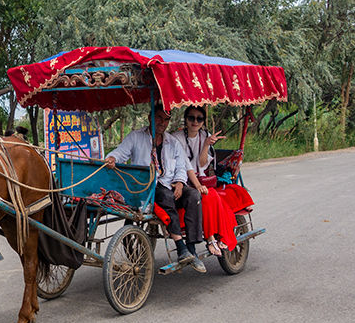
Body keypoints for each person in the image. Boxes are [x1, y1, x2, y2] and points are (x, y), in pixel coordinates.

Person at [105, 106, 206, 272]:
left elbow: (181, 167)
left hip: (169, 182)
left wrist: (180, 183)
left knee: (194, 195)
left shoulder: (172, 142)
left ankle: (192, 249)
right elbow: (120, 153)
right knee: (165, 196)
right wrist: (112, 158)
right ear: (150, 117)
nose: (162, 123)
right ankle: (180, 247)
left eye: (166, 119)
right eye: (159, 118)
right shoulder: (136, 137)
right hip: (146, 186)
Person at [176, 105, 254, 256]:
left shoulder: (205, 135)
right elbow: (184, 165)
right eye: (191, 118)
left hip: (200, 180)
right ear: (185, 119)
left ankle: (213, 238)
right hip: (183, 180)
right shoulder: (176, 138)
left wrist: (205, 144)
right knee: (207, 196)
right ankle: (211, 238)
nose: (195, 122)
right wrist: (197, 185)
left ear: (203, 122)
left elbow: (202, 163)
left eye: (199, 119)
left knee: (211, 196)